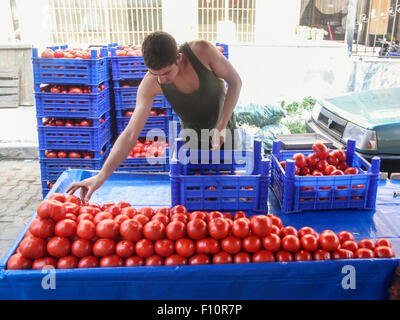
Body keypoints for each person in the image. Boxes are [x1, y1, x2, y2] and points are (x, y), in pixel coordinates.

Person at [66, 31, 242, 202]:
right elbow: (130, 134)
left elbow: (235, 81)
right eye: (154, 74)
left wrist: (221, 124)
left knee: (227, 196)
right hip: (192, 143)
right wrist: (101, 176)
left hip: (227, 134)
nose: (161, 80)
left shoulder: (202, 51)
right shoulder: (150, 84)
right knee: (198, 200)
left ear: (179, 58)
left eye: (166, 73)